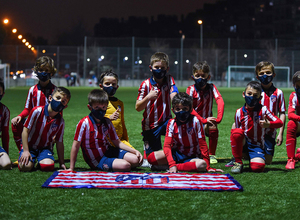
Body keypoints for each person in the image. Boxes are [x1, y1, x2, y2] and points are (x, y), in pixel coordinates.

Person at [226, 61, 286, 167]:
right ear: (257, 76)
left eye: (268, 72)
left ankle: (252, 155)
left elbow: (282, 113)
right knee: (235, 128)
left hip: (269, 131)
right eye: (262, 73)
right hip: (253, 130)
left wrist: (280, 133)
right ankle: (236, 156)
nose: (265, 75)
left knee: (268, 162)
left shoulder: (279, 93)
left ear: (274, 74)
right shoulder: (255, 92)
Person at [68, 89, 142, 171]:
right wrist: (71, 168)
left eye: (103, 107)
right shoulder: (84, 123)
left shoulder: (107, 121)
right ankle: (116, 163)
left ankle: (116, 163)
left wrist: (134, 151)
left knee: (136, 160)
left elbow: (117, 142)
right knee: (125, 165)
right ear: (90, 107)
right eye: (97, 107)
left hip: (108, 151)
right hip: (97, 159)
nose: (101, 110)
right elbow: (76, 145)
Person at [135, 52, 178, 168]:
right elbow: (138, 107)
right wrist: (148, 97)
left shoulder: (169, 80)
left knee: (177, 127)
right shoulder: (145, 85)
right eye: (156, 67)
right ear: (151, 68)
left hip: (166, 122)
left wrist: (175, 101)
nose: (159, 70)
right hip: (150, 125)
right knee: (152, 162)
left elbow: (174, 94)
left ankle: (180, 153)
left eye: (162, 68)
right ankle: (148, 147)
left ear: (167, 69)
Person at [161, 92, 223, 173]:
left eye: (185, 109)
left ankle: (175, 167)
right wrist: (171, 163)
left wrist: (207, 166)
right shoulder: (171, 123)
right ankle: (177, 166)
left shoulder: (196, 121)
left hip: (192, 156)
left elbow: (203, 144)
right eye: (178, 109)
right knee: (152, 158)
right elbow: (167, 146)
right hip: (177, 154)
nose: (181, 112)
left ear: (190, 110)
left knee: (202, 165)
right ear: (173, 110)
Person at [230, 81, 283, 173]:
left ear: (260, 97)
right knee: (236, 130)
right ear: (244, 94)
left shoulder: (263, 110)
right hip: (244, 142)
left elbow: (280, 122)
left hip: (256, 145)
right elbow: (236, 135)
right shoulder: (238, 112)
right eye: (249, 94)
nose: (251, 97)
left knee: (258, 167)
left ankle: (250, 156)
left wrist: (269, 124)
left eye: (255, 95)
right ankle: (238, 161)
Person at [18, 87, 71, 172]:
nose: (59, 101)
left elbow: (59, 142)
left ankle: (40, 161)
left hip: (45, 148)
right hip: (30, 146)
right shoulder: (36, 111)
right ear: (50, 98)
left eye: (63, 101)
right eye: (58, 98)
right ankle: (31, 158)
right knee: (25, 167)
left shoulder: (60, 121)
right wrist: (26, 151)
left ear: (65, 106)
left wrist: (61, 163)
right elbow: (25, 130)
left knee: (48, 167)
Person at [11, 56, 57, 152]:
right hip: (33, 123)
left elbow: (58, 112)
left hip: (47, 125)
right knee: (15, 123)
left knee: (45, 166)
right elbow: (27, 109)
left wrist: (55, 131)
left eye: (46, 70)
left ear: (51, 72)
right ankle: (23, 150)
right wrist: (19, 116)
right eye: (40, 70)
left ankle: (47, 148)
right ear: (36, 71)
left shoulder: (55, 91)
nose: (43, 72)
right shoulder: (32, 90)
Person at [186, 61, 224, 164]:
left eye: (203, 76)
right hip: (192, 123)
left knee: (212, 125)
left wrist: (218, 118)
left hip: (206, 123)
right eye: (197, 75)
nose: (200, 78)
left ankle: (211, 155)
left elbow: (220, 100)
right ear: (193, 76)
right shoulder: (190, 89)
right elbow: (189, 108)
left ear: (208, 77)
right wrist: (202, 119)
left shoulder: (211, 88)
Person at [98, 69, 134, 149]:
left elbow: (122, 122)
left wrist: (126, 140)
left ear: (117, 87)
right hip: (105, 142)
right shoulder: (98, 102)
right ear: (101, 86)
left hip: (119, 141)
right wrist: (109, 118)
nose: (111, 86)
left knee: (137, 158)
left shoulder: (120, 103)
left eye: (113, 84)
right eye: (107, 84)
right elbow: (94, 121)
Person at [285, 71, 300, 169]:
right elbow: (290, 115)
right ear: (294, 85)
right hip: (299, 124)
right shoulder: (293, 96)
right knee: (291, 124)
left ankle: (298, 155)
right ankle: (291, 159)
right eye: (298, 86)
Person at [0, 79, 11, 170]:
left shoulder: (5, 111)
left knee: (6, 164)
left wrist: (6, 153)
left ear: (3, 94)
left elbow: (5, 134)